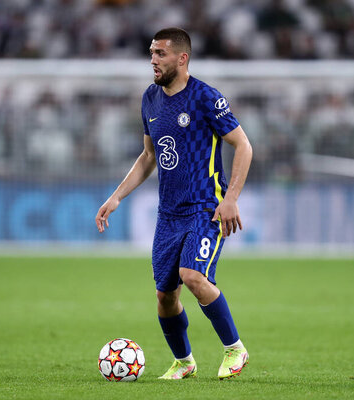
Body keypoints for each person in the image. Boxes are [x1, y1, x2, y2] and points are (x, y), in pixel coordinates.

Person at [95, 27, 253, 380]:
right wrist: (117, 196)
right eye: (151, 52)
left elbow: (243, 145)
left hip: (205, 208)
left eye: (160, 54)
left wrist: (231, 199)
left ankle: (235, 349)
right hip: (169, 215)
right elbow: (149, 157)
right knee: (165, 297)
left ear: (182, 58)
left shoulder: (206, 98)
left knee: (192, 275)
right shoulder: (150, 99)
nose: (153, 59)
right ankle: (184, 361)